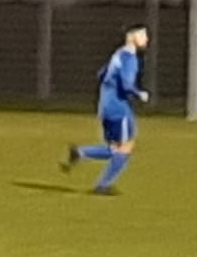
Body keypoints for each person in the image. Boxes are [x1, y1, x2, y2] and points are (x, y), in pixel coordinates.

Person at [62, 25, 150, 195]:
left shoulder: (118, 54)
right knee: (125, 147)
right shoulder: (130, 59)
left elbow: (101, 74)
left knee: (115, 148)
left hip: (105, 106)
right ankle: (103, 185)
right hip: (119, 108)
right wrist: (139, 94)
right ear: (131, 36)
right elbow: (126, 84)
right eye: (143, 35)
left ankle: (80, 153)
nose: (146, 39)